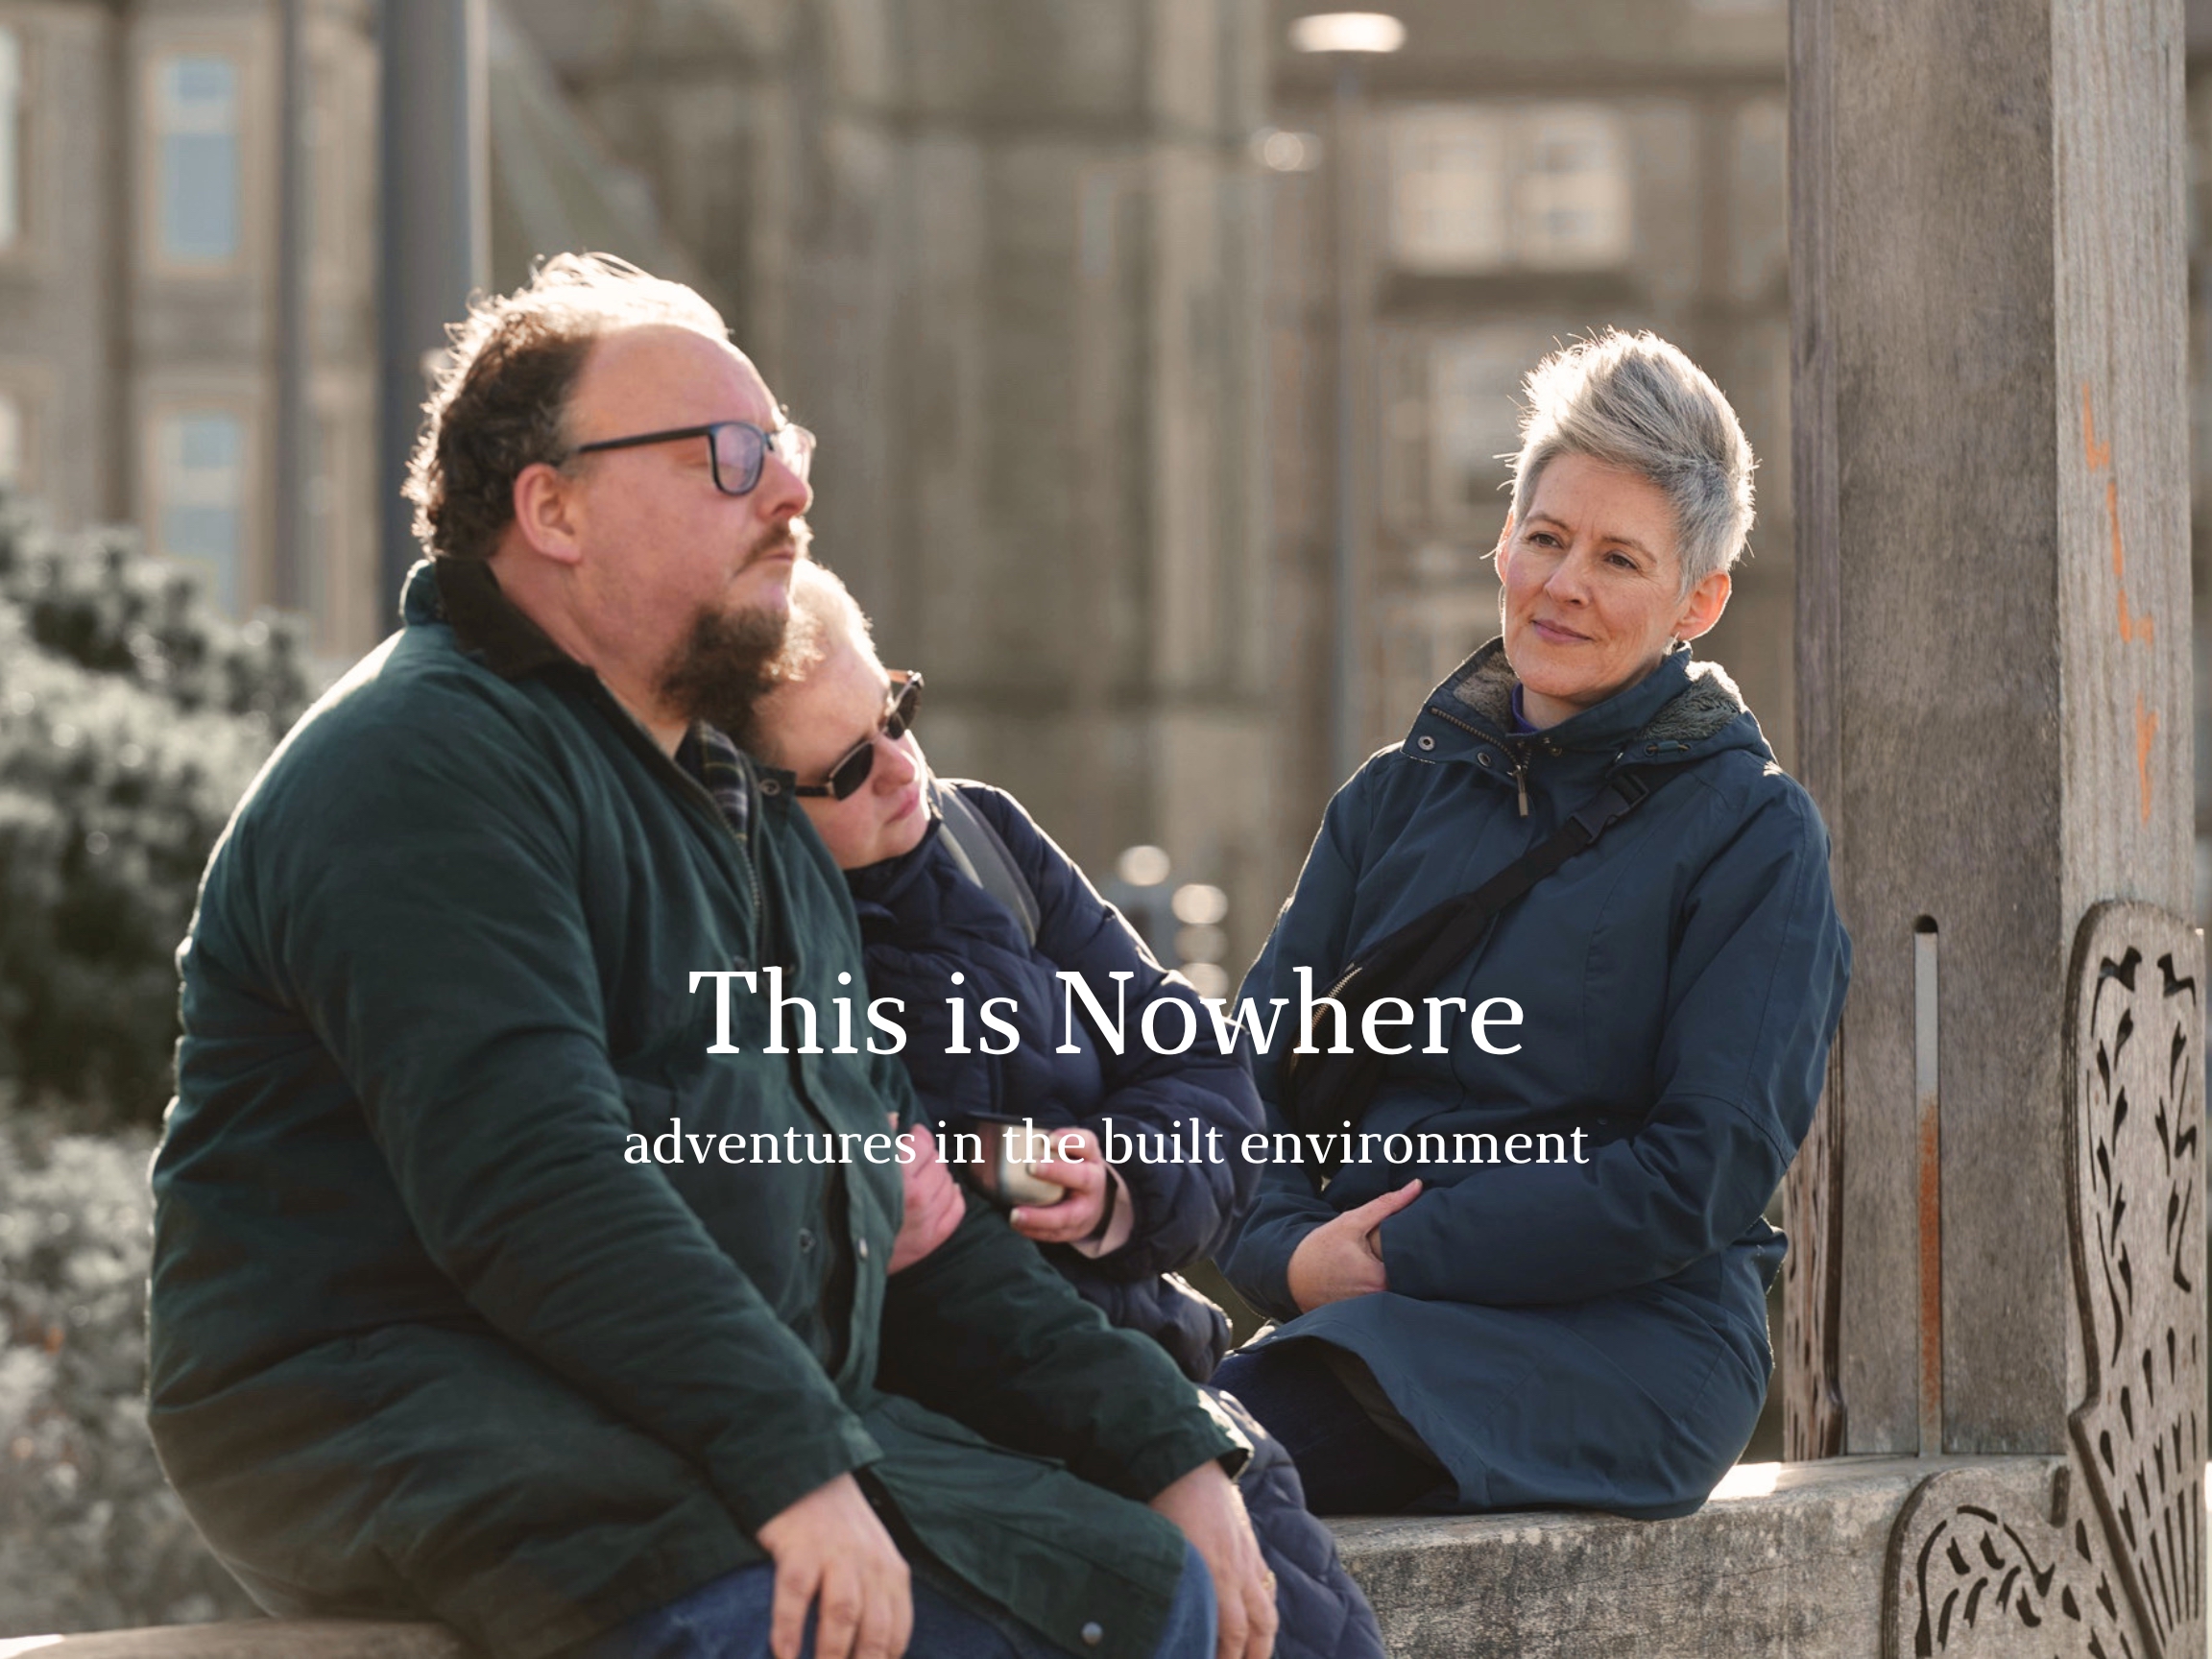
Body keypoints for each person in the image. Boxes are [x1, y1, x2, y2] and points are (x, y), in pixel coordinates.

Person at [146, 254, 1278, 1659]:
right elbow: (539, 1187)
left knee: (1150, 1585)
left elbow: (898, 1223)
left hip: (684, 1414)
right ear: (551, 508)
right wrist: (799, 1469)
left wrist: (1172, 1451)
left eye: (785, 448)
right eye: (728, 456)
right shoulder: (424, 764)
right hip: (422, 1410)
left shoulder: (739, 807)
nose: (791, 491)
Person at [1214, 329, 1851, 1521]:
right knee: (1055, 1452)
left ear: (1696, 602)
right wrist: (1295, 1257)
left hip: (1623, 1354)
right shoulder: (1390, 799)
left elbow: (1698, 1176)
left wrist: (1401, 1254)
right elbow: (1240, 1092)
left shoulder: (1753, 836)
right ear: (1504, 543)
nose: (1564, 584)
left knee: (1190, 1485)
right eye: (1548, 539)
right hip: (1360, 1318)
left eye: (1619, 558)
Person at [733, 563, 1384, 1659]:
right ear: (756, 806)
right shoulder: (757, 954)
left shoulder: (987, 842)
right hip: (977, 1433)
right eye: (848, 766)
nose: (902, 769)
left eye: (897, 711)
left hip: (1159, 1380)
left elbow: (1205, 1075)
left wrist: (1117, 1183)